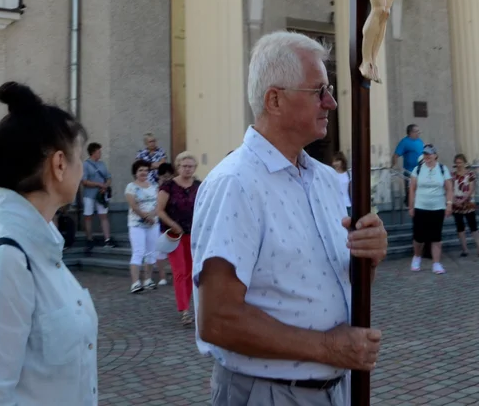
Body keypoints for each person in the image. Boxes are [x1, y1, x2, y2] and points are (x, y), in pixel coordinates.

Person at [193, 32, 388, 405]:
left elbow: (329, 285)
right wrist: (328, 347)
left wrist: (369, 258)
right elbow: (218, 319)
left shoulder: (325, 180)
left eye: (328, 90)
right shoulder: (236, 184)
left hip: (332, 389)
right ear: (275, 99)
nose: (330, 102)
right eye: (318, 91)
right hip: (268, 393)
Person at [0, 82, 98, 405]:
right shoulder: (5, 261)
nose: (82, 169)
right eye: (78, 157)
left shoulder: (38, 248)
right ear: (59, 164)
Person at [157, 152, 200, 326]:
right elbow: (159, 209)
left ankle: (187, 305)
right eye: (184, 166)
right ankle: (184, 310)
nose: (187, 169)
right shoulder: (168, 186)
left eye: (190, 166)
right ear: (178, 166)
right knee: (180, 271)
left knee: (190, 272)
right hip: (174, 235)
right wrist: (172, 224)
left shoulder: (199, 185)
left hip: (193, 233)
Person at [409, 145, 452, 274]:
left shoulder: (443, 169)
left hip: (437, 207)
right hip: (421, 207)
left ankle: (436, 263)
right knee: (419, 236)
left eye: (429, 154)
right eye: (425, 154)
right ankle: (417, 257)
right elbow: (412, 189)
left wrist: (449, 204)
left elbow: (449, 188)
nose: (427, 156)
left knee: (436, 236)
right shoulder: (417, 169)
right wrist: (411, 206)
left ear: (435, 155)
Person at [125, 160, 160, 294]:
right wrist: (146, 217)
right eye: (140, 170)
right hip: (137, 224)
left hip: (153, 223)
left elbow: (158, 204)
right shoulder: (131, 187)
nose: (144, 172)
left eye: (146, 170)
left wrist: (152, 216)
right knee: (138, 252)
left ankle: (148, 279)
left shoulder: (154, 186)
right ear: (135, 172)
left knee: (151, 253)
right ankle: (135, 282)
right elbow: (133, 205)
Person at [450, 154, 479, 258]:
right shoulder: (452, 175)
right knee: (460, 227)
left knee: (473, 226)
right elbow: (450, 189)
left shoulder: (470, 174)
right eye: (457, 162)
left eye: (460, 162)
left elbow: (471, 189)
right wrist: (454, 200)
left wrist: (464, 199)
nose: (458, 165)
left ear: (465, 163)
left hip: (468, 203)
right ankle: (464, 249)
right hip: (456, 203)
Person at [81, 142, 114, 249]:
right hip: (89, 194)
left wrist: (105, 186)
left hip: (101, 194)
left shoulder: (102, 164)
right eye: (98, 151)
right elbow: (84, 181)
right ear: (93, 152)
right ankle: (89, 238)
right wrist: (98, 184)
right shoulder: (85, 164)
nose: (100, 153)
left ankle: (107, 239)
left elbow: (108, 177)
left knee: (104, 216)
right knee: (88, 216)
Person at [392, 125, 424, 205]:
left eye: (418, 131)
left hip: (421, 171)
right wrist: (394, 166)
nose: (418, 133)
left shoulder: (420, 141)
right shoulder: (404, 142)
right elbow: (395, 155)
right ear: (411, 132)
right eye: (416, 131)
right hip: (409, 172)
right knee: (410, 192)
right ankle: (409, 207)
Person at [331, 152, 351, 217]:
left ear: (342, 161)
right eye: (334, 161)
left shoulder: (348, 174)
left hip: (348, 205)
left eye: (337, 161)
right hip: (336, 206)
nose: (335, 163)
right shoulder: (331, 174)